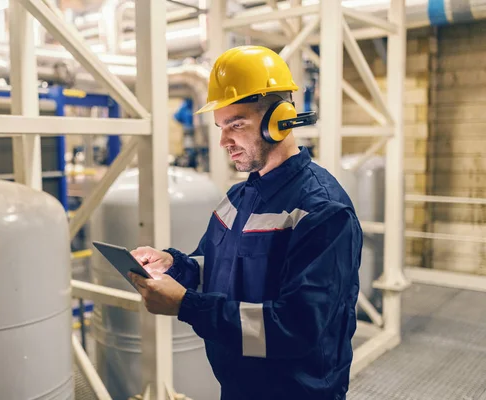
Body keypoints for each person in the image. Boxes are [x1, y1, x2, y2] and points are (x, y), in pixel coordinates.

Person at [128, 45, 363, 400]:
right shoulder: (237, 199)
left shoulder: (323, 211)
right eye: (221, 126)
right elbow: (213, 269)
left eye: (236, 125)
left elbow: (296, 328)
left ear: (279, 120)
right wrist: (174, 265)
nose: (223, 140)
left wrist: (186, 305)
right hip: (238, 387)